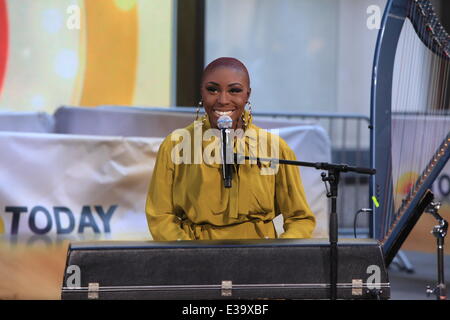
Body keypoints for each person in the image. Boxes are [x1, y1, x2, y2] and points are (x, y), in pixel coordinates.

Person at [146, 57, 315, 240]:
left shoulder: (274, 147)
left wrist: (275, 256)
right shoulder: (175, 145)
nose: (223, 100)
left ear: (247, 95)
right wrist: (189, 254)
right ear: (201, 92)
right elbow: (159, 216)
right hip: (196, 257)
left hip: (259, 258)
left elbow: (300, 218)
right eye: (212, 90)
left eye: (234, 90)